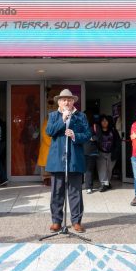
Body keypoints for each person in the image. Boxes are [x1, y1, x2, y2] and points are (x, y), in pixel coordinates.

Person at [46, 89, 91, 233]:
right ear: (59, 102)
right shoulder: (53, 116)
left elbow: (87, 134)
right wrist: (62, 120)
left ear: (73, 102)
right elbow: (49, 131)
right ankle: (56, 221)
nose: (67, 102)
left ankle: (76, 221)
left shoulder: (81, 116)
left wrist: (75, 135)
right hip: (57, 159)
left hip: (74, 159)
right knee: (56, 192)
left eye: (69, 99)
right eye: (64, 100)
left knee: (75, 192)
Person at [96, 115, 121, 192]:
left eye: (106, 121)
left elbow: (117, 142)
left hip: (111, 153)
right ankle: (103, 184)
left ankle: (107, 182)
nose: (104, 122)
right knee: (102, 169)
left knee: (109, 169)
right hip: (100, 152)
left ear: (108, 122)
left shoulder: (113, 130)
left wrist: (116, 151)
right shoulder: (98, 130)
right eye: (103, 121)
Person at [83, 113, 99, 194]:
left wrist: (92, 138)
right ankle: (86, 186)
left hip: (92, 151)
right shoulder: (81, 126)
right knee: (84, 169)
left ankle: (88, 186)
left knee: (89, 170)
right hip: (82, 150)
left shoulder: (95, 126)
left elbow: (99, 137)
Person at [37, 115, 52, 186]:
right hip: (47, 149)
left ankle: (48, 181)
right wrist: (53, 144)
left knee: (48, 167)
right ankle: (47, 181)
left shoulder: (49, 124)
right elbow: (46, 137)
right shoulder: (46, 124)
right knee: (46, 167)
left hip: (49, 149)